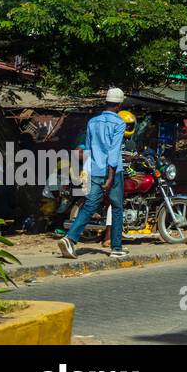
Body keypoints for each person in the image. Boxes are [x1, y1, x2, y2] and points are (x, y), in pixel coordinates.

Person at [59, 88, 129, 259]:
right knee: (117, 207)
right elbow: (113, 152)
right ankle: (116, 247)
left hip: (94, 169)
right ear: (119, 104)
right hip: (112, 171)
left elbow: (88, 149)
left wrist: (87, 172)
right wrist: (111, 177)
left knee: (90, 205)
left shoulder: (93, 122)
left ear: (106, 102)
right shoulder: (119, 123)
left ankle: (70, 239)